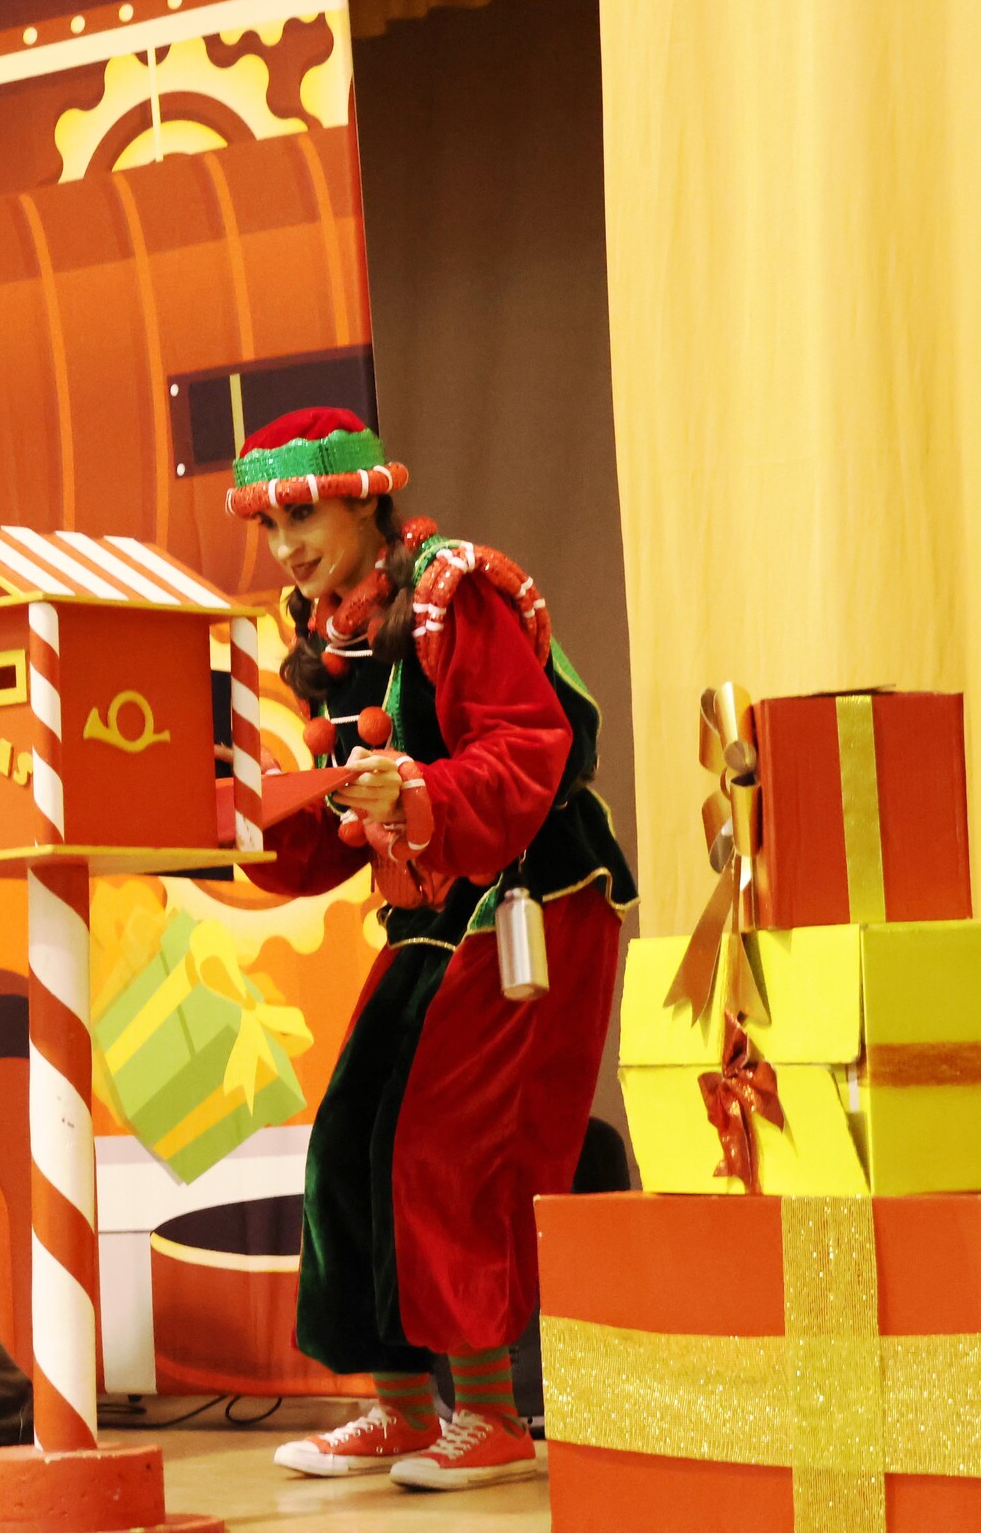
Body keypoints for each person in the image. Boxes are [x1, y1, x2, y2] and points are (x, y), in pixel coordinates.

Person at [230, 408, 636, 1492]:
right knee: (348, 1139)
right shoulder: (331, 631)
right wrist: (244, 821)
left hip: (532, 895)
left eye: (303, 517)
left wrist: (414, 790)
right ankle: (404, 1411)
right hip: (434, 907)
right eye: (270, 527)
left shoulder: (457, 593)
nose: (286, 547)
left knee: (449, 1146)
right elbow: (334, 837)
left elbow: (532, 746)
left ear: (367, 499)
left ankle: (492, 1417)